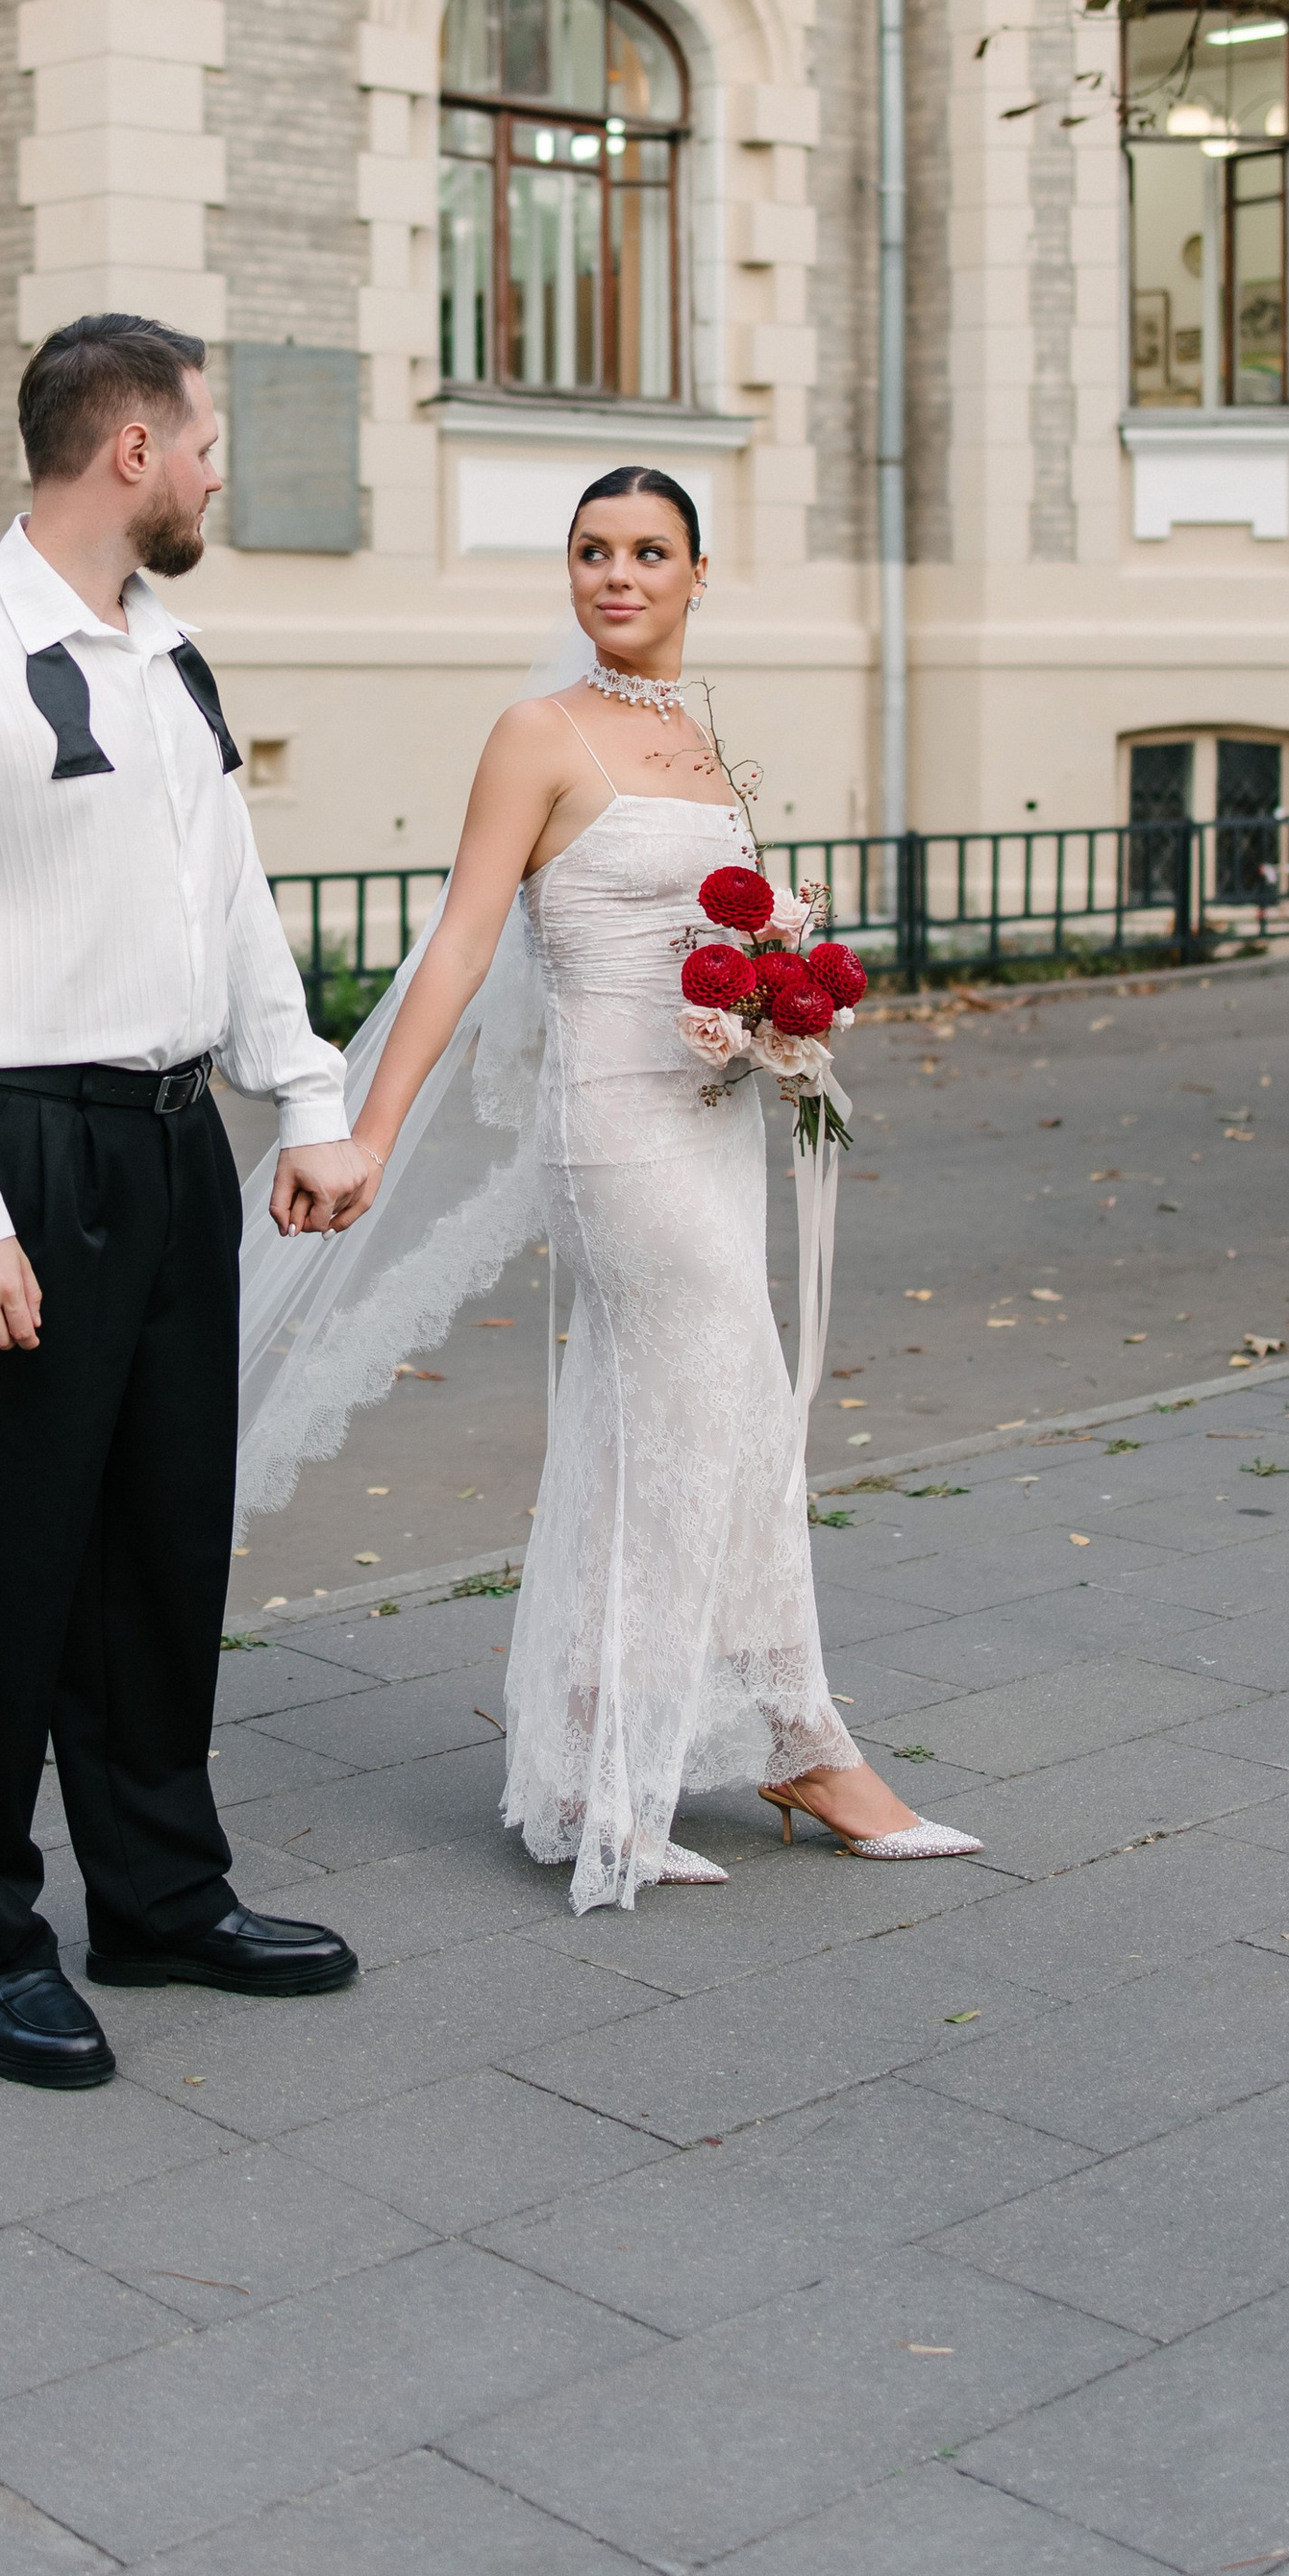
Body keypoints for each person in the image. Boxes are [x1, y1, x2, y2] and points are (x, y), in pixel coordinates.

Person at [0, 311, 370, 2090]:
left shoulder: (174, 654)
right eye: (204, 440)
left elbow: (231, 902)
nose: (219, 466)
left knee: (158, 1546)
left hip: (168, 1148)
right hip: (18, 1155)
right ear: (130, 451)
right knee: (3, 1567)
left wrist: (301, 1095)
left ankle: (158, 1898)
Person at [331, 468, 981, 1911]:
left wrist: (779, 1000)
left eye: (646, 552)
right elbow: (455, 948)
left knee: (651, 1435)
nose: (615, 576)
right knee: (728, 1406)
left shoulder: (699, 737)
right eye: (590, 552)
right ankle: (799, 1740)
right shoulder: (536, 734)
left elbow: (719, 926)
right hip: (614, 1130)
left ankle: (588, 1766)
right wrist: (372, 1133)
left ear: (698, 574)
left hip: (712, 1120)